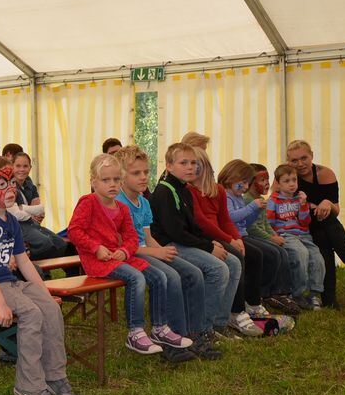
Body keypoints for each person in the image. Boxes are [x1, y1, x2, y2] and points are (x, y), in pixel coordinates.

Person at [0, 155, 81, 395]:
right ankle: (30, 387)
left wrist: (46, 293)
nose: (10, 188)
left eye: (11, 181)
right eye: (1, 184)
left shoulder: (11, 220)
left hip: (8, 282)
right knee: (32, 313)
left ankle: (55, 376)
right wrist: (0, 303)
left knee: (49, 308)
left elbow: (23, 261)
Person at [68, 154, 194, 357]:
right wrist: (95, 248)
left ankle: (160, 328)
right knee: (136, 277)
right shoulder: (88, 203)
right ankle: (135, 332)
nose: (112, 185)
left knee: (159, 276)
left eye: (116, 179)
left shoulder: (122, 208)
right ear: (93, 181)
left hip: (118, 257)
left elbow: (132, 239)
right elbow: (74, 231)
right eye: (105, 180)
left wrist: (124, 250)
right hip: (97, 261)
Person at [113, 146, 220, 360]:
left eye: (146, 172)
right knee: (171, 277)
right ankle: (171, 341)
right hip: (129, 255)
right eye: (136, 173)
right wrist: (156, 252)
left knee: (193, 273)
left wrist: (160, 250)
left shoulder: (143, 202)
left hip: (147, 250)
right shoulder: (117, 203)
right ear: (122, 176)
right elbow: (123, 245)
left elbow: (148, 235)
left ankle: (193, 333)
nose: (144, 177)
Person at [149, 143, 241, 340]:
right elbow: (176, 233)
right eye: (183, 163)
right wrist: (207, 247)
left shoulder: (184, 189)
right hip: (169, 246)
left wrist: (212, 242)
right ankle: (202, 329)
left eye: (193, 163)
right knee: (218, 269)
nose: (190, 167)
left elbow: (193, 227)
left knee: (233, 262)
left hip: (183, 241)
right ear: (169, 166)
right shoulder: (165, 191)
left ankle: (218, 323)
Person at [287, 139, 345, 307]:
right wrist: (307, 204)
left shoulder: (325, 174)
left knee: (326, 229)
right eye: (294, 160)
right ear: (288, 161)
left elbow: (336, 209)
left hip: (321, 223)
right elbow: (280, 204)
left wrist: (328, 203)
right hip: (297, 225)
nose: (300, 164)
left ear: (312, 156)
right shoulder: (286, 176)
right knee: (325, 228)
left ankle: (329, 299)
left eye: (304, 158)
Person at [188, 149, 265, 337]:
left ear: (206, 166)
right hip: (204, 236)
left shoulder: (218, 190)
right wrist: (230, 239)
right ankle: (234, 312)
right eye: (188, 164)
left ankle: (230, 314)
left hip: (219, 234)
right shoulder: (188, 190)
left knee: (247, 253)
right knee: (235, 257)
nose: (192, 168)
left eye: (197, 163)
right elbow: (201, 222)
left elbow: (225, 219)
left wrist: (236, 238)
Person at [220, 159, 298, 327]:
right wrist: (252, 207)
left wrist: (255, 212)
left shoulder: (239, 196)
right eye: (242, 183)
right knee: (255, 255)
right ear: (230, 178)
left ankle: (254, 301)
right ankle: (250, 301)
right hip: (232, 238)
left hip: (242, 235)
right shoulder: (225, 195)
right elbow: (231, 218)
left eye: (247, 183)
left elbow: (244, 223)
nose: (245, 187)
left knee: (260, 255)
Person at [267, 164, 326, 310]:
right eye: (286, 181)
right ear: (278, 184)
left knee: (317, 258)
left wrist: (304, 204)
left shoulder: (299, 198)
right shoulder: (273, 200)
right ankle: (297, 294)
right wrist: (274, 236)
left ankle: (313, 294)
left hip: (304, 235)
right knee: (301, 254)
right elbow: (270, 223)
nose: (292, 184)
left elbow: (305, 222)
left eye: (294, 180)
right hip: (286, 235)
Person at [10, 152, 71, 260]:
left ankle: (44, 271)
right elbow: (16, 213)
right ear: (12, 166)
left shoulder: (30, 185)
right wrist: (29, 211)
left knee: (61, 244)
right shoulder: (9, 185)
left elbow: (40, 210)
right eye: (18, 166)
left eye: (25, 166)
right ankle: (25, 262)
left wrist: (23, 208)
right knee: (45, 243)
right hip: (18, 225)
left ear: (30, 167)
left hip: (31, 223)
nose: (22, 169)